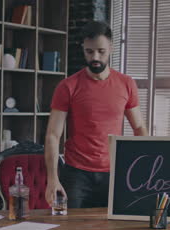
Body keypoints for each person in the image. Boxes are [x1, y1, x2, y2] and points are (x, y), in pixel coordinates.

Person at [44, 20, 148, 208]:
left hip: (115, 173)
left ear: (111, 48)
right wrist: (52, 179)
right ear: (83, 49)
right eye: (89, 51)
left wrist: (142, 166)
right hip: (76, 174)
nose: (95, 57)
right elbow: (53, 135)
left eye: (101, 51)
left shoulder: (126, 84)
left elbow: (139, 127)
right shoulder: (67, 86)